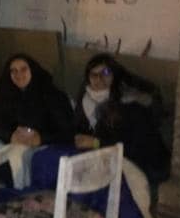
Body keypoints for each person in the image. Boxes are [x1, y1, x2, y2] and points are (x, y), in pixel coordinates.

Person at [0, 54, 74, 188]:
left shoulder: (52, 95)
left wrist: (40, 138)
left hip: (42, 143)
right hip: (14, 140)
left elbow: (66, 130)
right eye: (13, 71)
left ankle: (17, 187)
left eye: (23, 69)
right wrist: (11, 135)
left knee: (18, 153)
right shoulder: (5, 92)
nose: (18, 74)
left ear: (32, 70)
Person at [73, 53, 170, 184]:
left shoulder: (131, 103)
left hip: (145, 166)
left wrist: (97, 143)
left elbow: (135, 149)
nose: (99, 78)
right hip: (109, 159)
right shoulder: (86, 101)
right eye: (93, 75)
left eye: (106, 72)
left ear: (115, 75)